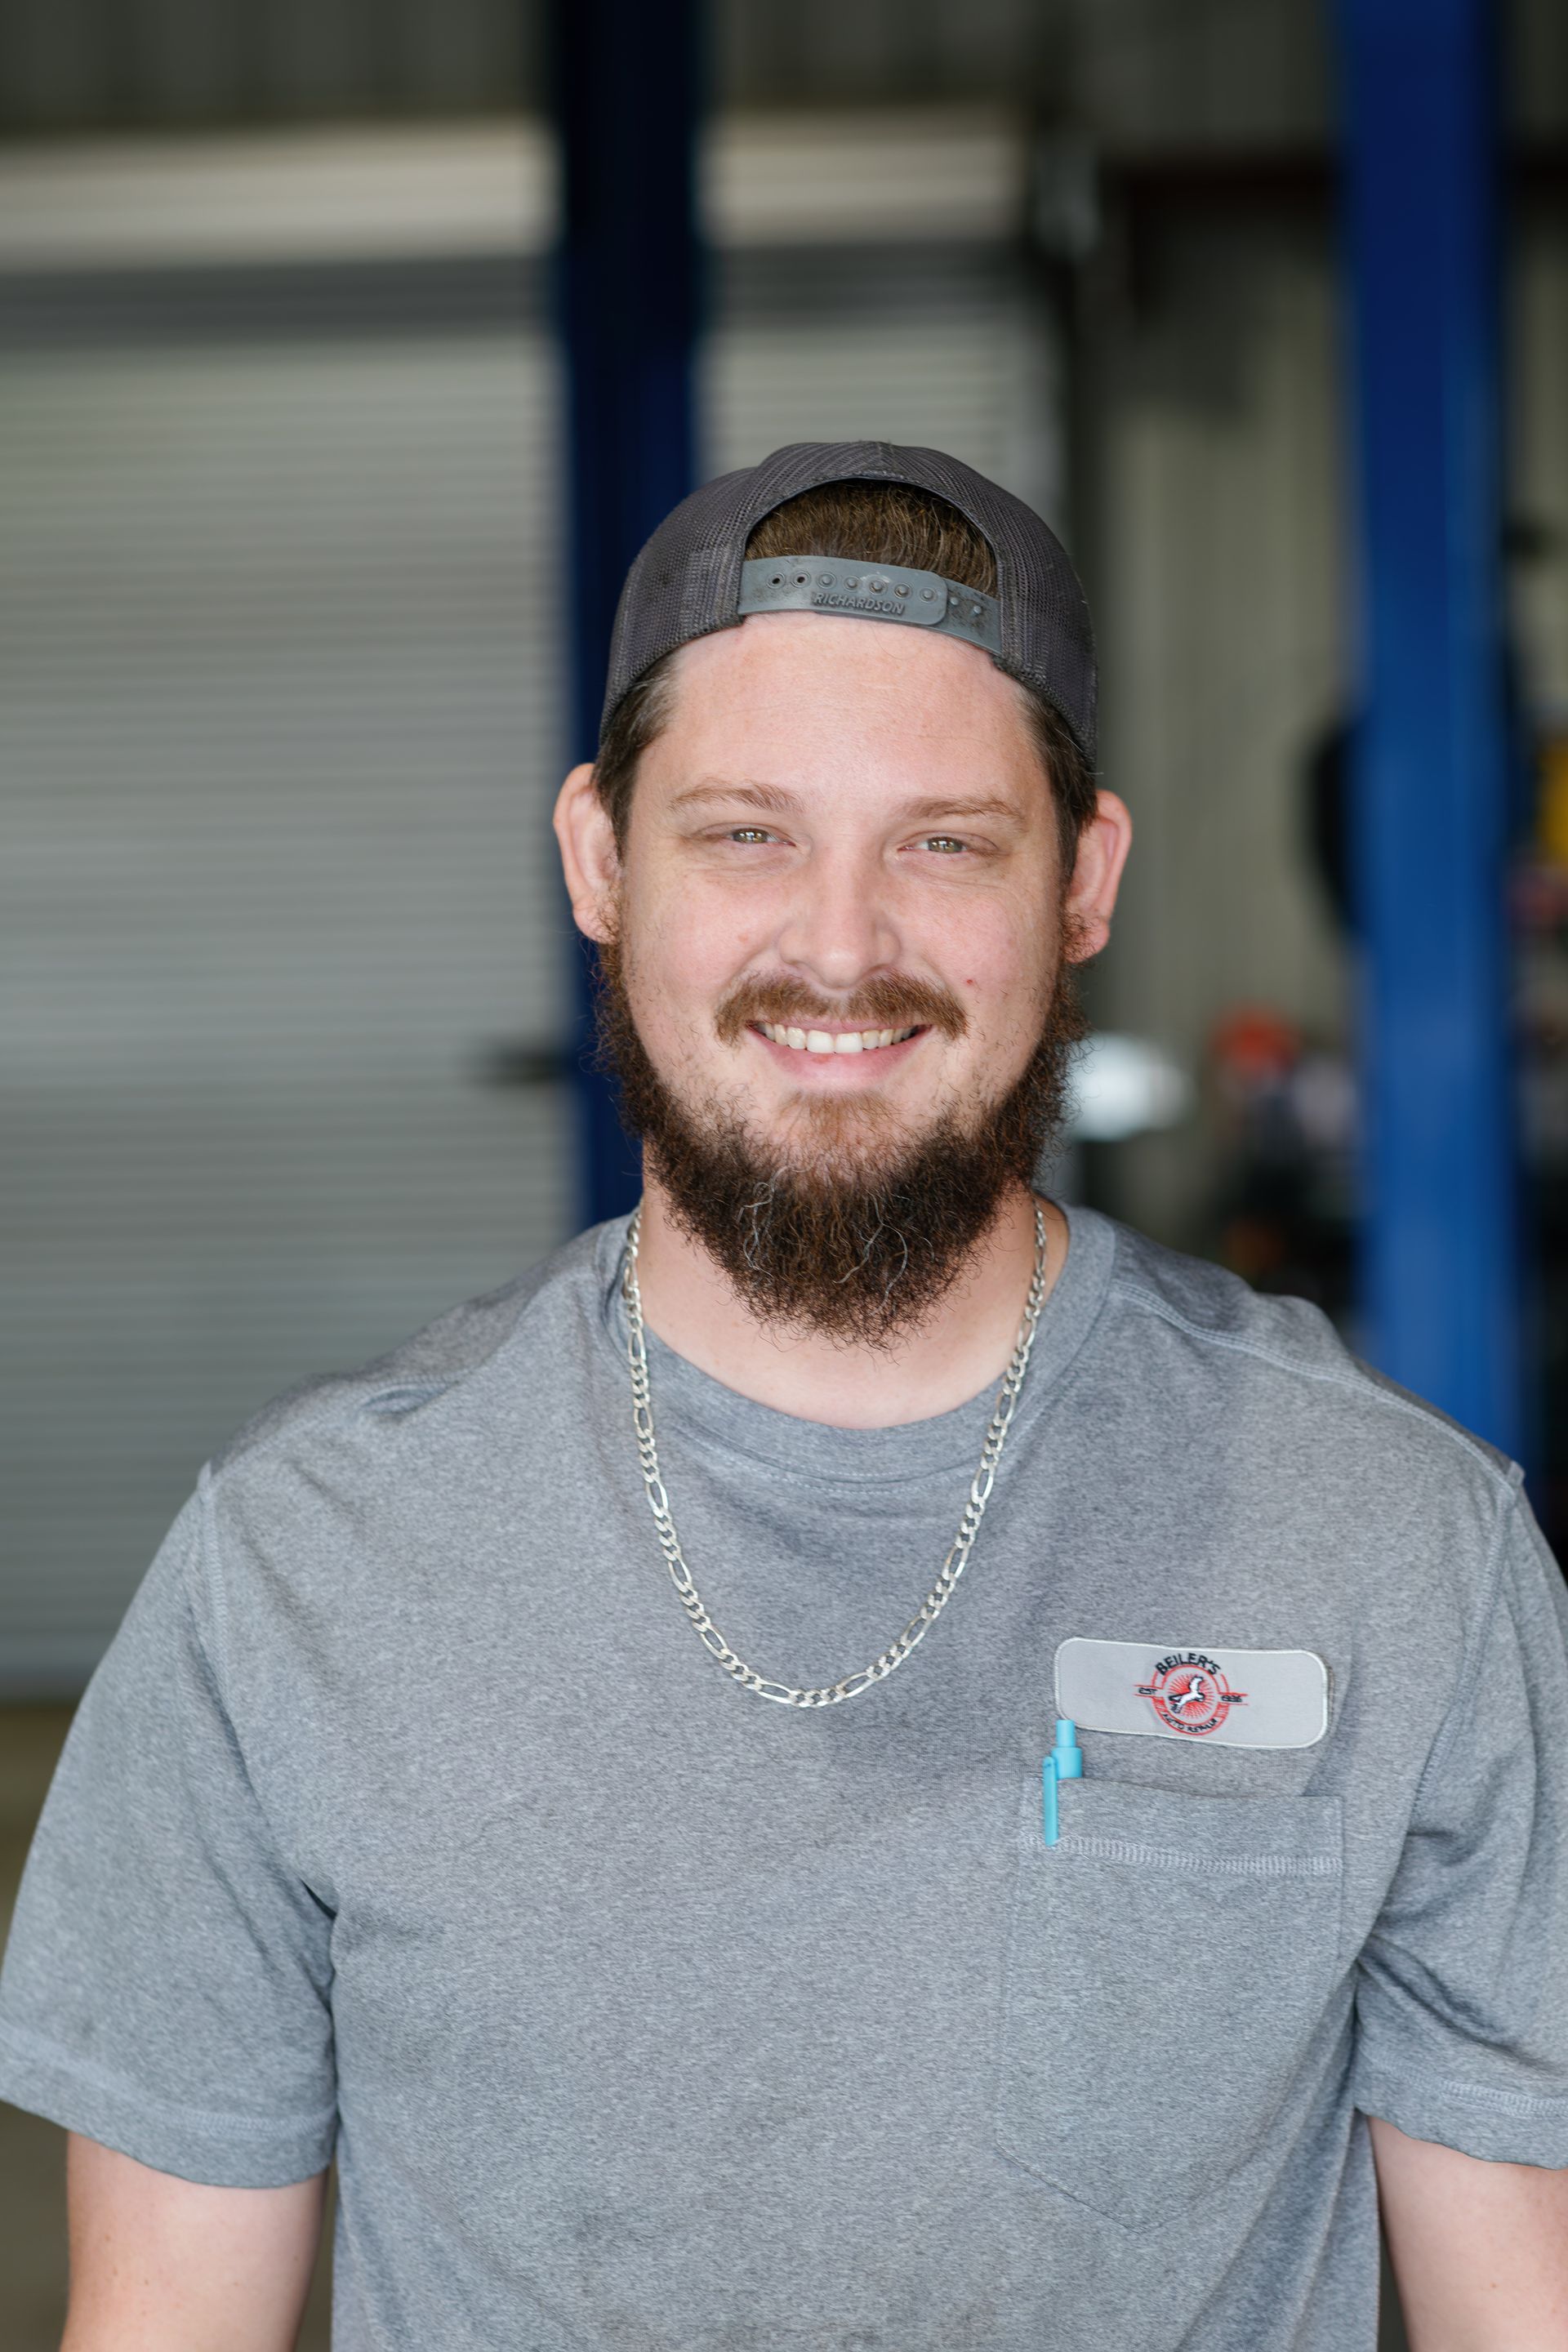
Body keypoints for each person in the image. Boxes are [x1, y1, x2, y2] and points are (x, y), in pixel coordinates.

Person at [2, 440, 1566, 2352]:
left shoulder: (1392, 1543)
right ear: (599, 858)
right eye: (747, 833)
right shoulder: (301, 1567)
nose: (842, 946)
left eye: (945, 841)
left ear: (1083, 881)